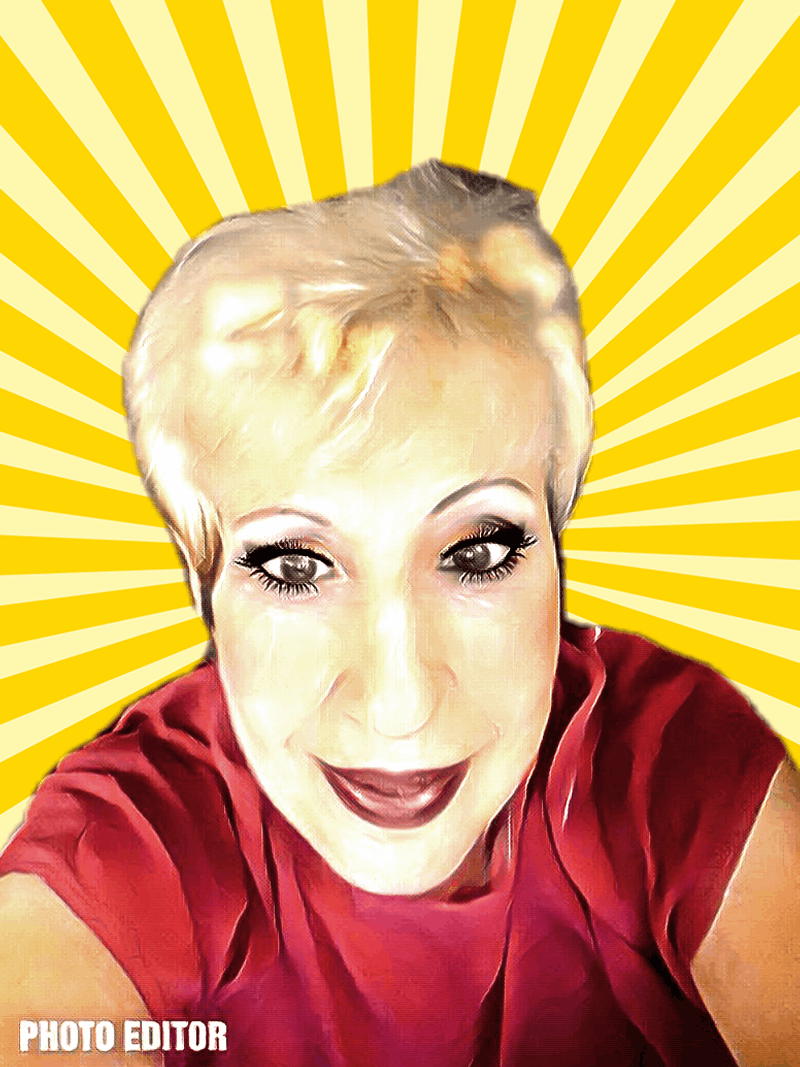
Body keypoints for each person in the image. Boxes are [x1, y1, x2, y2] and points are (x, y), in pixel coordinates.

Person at [0, 162, 797, 1066]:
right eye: (295, 566)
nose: (399, 703)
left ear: (557, 543)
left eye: (477, 553)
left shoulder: (662, 768)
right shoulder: (146, 833)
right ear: (202, 579)